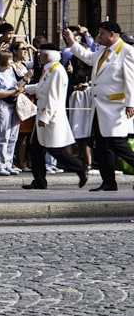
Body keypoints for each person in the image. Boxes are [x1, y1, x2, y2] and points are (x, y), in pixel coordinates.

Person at [63, 23, 134, 191]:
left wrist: (131, 103)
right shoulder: (102, 51)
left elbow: (131, 79)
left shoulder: (126, 51)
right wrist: (72, 43)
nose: (99, 37)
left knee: (117, 143)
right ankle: (109, 181)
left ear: (112, 34)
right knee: (102, 146)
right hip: (100, 106)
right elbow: (88, 57)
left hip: (115, 106)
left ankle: (110, 180)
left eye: (102, 34)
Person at [22, 45, 88, 190]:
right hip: (44, 112)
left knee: (55, 149)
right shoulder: (49, 70)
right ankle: (39, 180)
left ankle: (80, 167)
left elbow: (54, 96)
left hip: (51, 115)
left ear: (47, 55)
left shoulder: (57, 71)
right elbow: (42, 87)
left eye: (41, 54)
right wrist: (26, 88)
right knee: (36, 150)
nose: (39, 57)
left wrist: (45, 117)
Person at [0, 48, 24, 176]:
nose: (11, 61)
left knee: (13, 135)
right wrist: (12, 92)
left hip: (13, 103)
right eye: (9, 59)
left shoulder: (10, 71)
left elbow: (16, 85)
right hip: (2, 104)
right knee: (3, 134)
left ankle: (8, 162)